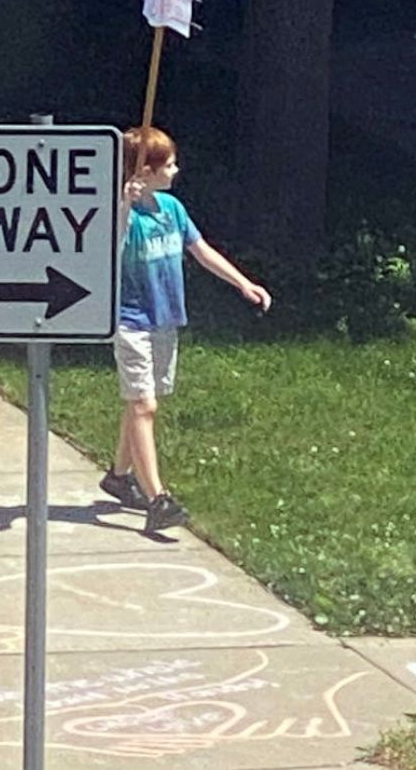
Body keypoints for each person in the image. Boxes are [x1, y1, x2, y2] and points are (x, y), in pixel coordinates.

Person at [100, 126, 272, 533]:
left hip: (164, 319)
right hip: (130, 321)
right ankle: (157, 499)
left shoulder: (172, 210)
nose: (176, 170)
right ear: (145, 171)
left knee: (142, 400)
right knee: (145, 406)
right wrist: (124, 206)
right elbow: (109, 247)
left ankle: (118, 475)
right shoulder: (120, 215)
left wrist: (242, 282)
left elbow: (201, 249)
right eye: (169, 164)